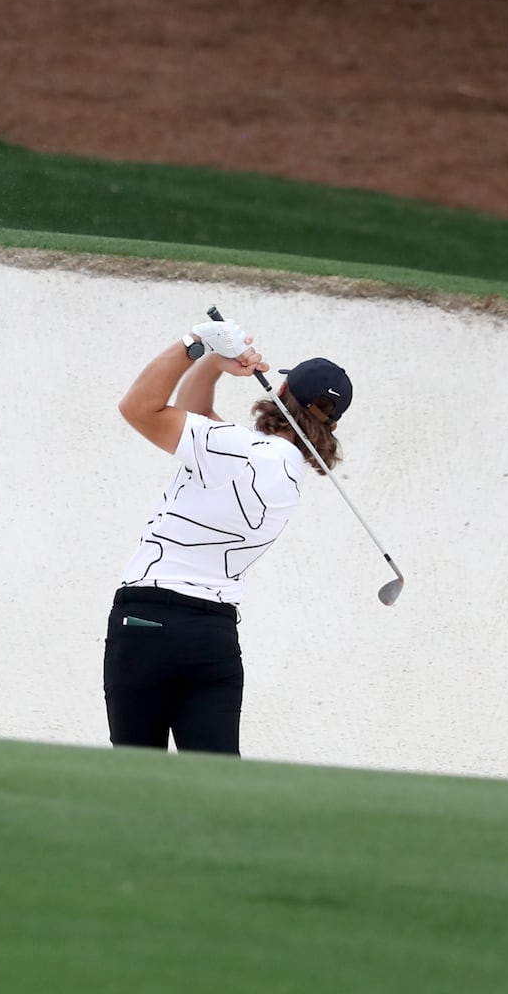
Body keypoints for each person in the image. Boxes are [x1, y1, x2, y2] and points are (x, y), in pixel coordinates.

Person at [104, 318, 353, 755]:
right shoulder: (287, 473)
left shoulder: (233, 447)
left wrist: (195, 343)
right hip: (213, 640)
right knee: (215, 788)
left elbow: (138, 407)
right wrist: (215, 364)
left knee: (135, 783)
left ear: (278, 393)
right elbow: (199, 420)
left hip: (147, 623)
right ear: (329, 428)